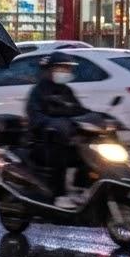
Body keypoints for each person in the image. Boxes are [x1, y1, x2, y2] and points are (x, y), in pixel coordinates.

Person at [25, 53, 89, 208]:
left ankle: (81, 188)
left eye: (68, 69)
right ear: (50, 70)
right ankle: (58, 195)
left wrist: (100, 118)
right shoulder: (38, 91)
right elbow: (35, 117)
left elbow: (79, 110)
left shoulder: (66, 91)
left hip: (65, 138)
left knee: (91, 150)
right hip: (43, 142)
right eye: (62, 68)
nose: (66, 72)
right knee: (59, 152)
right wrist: (54, 123)